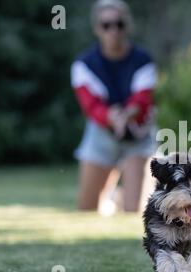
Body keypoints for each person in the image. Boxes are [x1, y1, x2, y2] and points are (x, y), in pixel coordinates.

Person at [71, 0, 157, 213]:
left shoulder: (143, 60)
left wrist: (125, 116)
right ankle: (112, 198)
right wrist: (112, 117)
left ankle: (120, 198)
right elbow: (91, 106)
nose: (113, 31)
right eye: (106, 25)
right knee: (87, 208)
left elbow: (142, 101)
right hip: (101, 134)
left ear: (126, 26)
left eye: (119, 24)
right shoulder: (84, 64)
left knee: (135, 210)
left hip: (138, 134)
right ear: (97, 28)